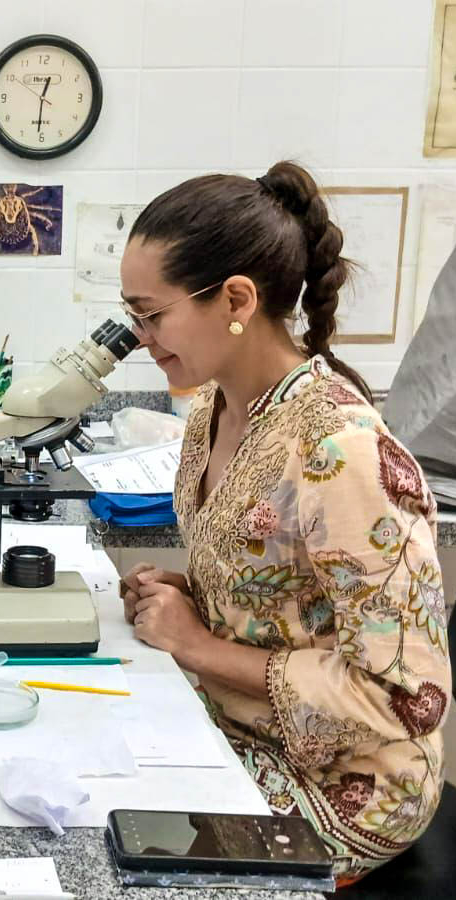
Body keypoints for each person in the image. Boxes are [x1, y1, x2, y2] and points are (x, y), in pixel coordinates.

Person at [117, 160, 451, 884]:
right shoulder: (212, 411)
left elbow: (399, 705)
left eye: (151, 314)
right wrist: (183, 594)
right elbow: (277, 596)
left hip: (346, 785)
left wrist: (196, 644)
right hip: (236, 723)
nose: (139, 336)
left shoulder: (338, 449)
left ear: (235, 297)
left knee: (115, 863)